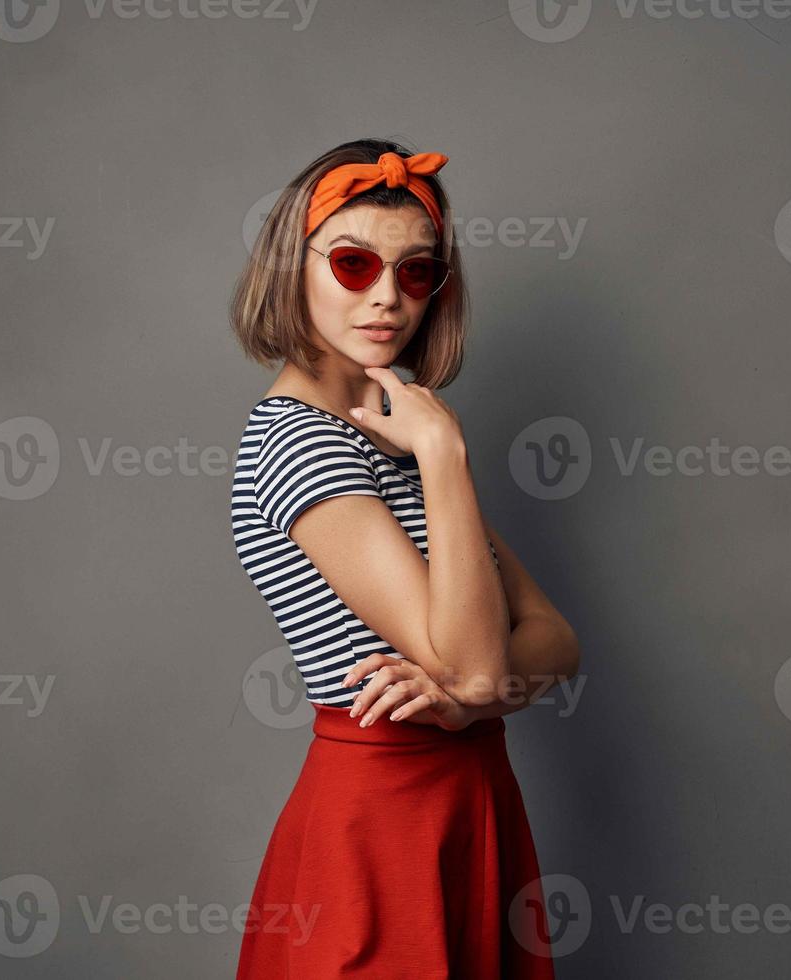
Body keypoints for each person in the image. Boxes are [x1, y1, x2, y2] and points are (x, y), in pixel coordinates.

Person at [228, 137, 581, 978]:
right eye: (352, 264)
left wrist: (467, 702)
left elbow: (557, 641)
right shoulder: (300, 445)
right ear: (293, 268)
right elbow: (481, 665)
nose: (387, 297)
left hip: (471, 802)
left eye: (416, 272)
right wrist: (446, 454)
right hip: (382, 822)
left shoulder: (388, 437)